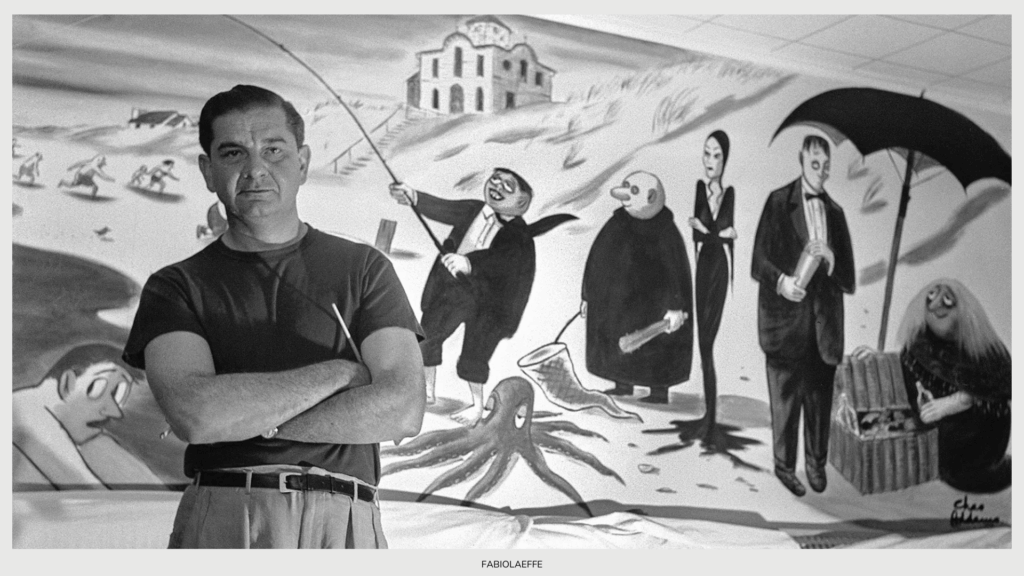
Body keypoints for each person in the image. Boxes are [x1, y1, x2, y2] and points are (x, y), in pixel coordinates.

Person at [122, 85, 426, 549]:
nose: (255, 169)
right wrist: (342, 373)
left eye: (273, 150)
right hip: (228, 513)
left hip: (345, 520)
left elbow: (402, 409)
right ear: (207, 170)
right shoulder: (175, 286)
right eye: (233, 153)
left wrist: (249, 421)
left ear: (302, 162)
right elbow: (198, 416)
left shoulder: (364, 269)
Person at [389, 171, 574, 425]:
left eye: (507, 185)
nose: (497, 186)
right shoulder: (475, 209)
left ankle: (476, 407)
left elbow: (503, 262)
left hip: (489, 303)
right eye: (495, 179)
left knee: (475, 354)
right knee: (428, 336)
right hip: (453, 290)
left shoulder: (519, 236)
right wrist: (414, 197)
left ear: (521, 202)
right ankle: (427, 391)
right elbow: (444, 209)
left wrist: (470, 263)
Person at [751, 135, 854, 497]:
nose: (821, 172)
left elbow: (849, 280)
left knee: (819, 404)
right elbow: (758, 261)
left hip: (824, 330)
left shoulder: (836, 214)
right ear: (801, 160)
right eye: (815, 164)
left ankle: (816, 464)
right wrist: (782, 283)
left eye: (826, 166)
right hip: (784, 325)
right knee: (785, 403)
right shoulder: (778, 202)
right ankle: (784, 467)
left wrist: (832, 258)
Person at [853, 279, 1011, 493]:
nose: (936, 304)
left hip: (975, 440)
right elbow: (906, 370)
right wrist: (879, 360)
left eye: (947, 299)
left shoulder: (982, 347)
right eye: (932, 295)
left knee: (957, 475)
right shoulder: (919, 340)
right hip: (931, 430)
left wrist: (953, 403)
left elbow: (1000, 386)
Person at [581, 170, 693, 404]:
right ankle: (623, 384)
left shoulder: (666, 231)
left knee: (658, 349)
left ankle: (659, 390)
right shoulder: (616, 224)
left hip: (655, 307)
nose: (623, 194)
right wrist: (587, 295)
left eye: (632, 191)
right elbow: (597, 261)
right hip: (619, 307)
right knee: (617, 343)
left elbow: (677, 272)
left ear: (651, 197)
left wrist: (676, 306)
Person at [13, 343, 165, 490]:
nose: (113, 411)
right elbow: (87, 490)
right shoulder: (24, 413)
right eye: (98, 388)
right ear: (67, 383)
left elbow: (156, 495)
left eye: (118, 395)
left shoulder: (82, 438)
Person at [686, 130, 737, 440]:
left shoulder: (729, 193)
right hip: (704, 265)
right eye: (707, 153)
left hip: (719, 267)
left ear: (725, 160)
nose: (710, 161)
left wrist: (706, 229)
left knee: (708, 341)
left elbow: (716, 232)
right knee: (703, 342)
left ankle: (711, 419)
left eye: (717, 155)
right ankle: (709, 416)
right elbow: (707, 235)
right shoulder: (698, 188)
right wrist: (714, 232)